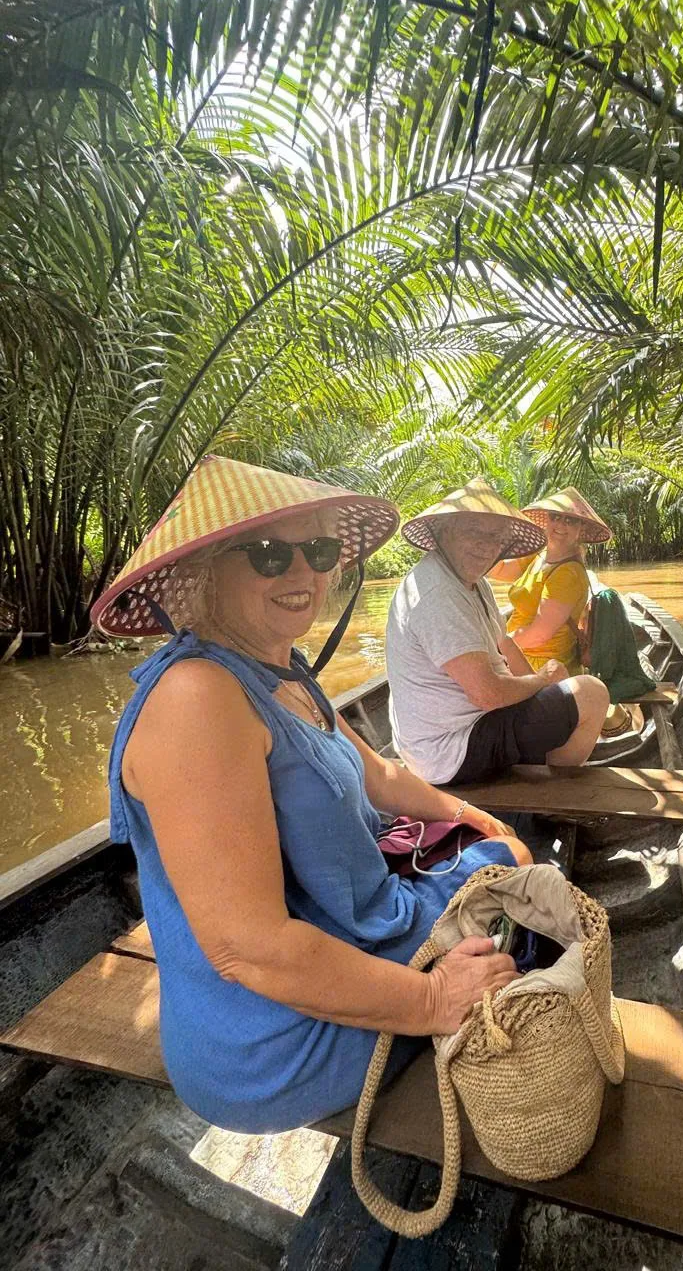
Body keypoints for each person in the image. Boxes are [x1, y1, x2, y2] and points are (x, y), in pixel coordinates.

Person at [91, 455, 532, 1135]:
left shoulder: (281, 666)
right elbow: (248, 949)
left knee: (507, 855)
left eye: (320, 550)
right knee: (528, 922)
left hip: (346, 936)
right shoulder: (196, 699)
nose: (304, 574)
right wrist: (433, 1000)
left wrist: (471, 815)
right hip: (276, 1043)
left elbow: (378, 776)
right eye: (270, 554)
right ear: (208, 567)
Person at [385, 478, 609, 786]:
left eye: (495, 537)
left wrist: (541, 687)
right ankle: (553, 792)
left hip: (459, 730)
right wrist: (542, 679)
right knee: (592, 693)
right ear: (444, 531)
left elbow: (503, 643)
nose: (486, 545)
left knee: (571, 691)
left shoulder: (474, 582)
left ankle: (543, 770)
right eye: (473, 530)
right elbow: (487, 694)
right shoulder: (437, 593)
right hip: (452, 750)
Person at [493, 488, 612, 676]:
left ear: (580, 529)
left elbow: (538, 635)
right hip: (515, 652)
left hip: (542, 666)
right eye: (555, 517)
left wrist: (495, 644)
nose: (560, 524)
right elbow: (499, 570)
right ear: (547, 520)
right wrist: (483, 544)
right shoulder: (539, 555)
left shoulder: (568, 574)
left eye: (570, 520)